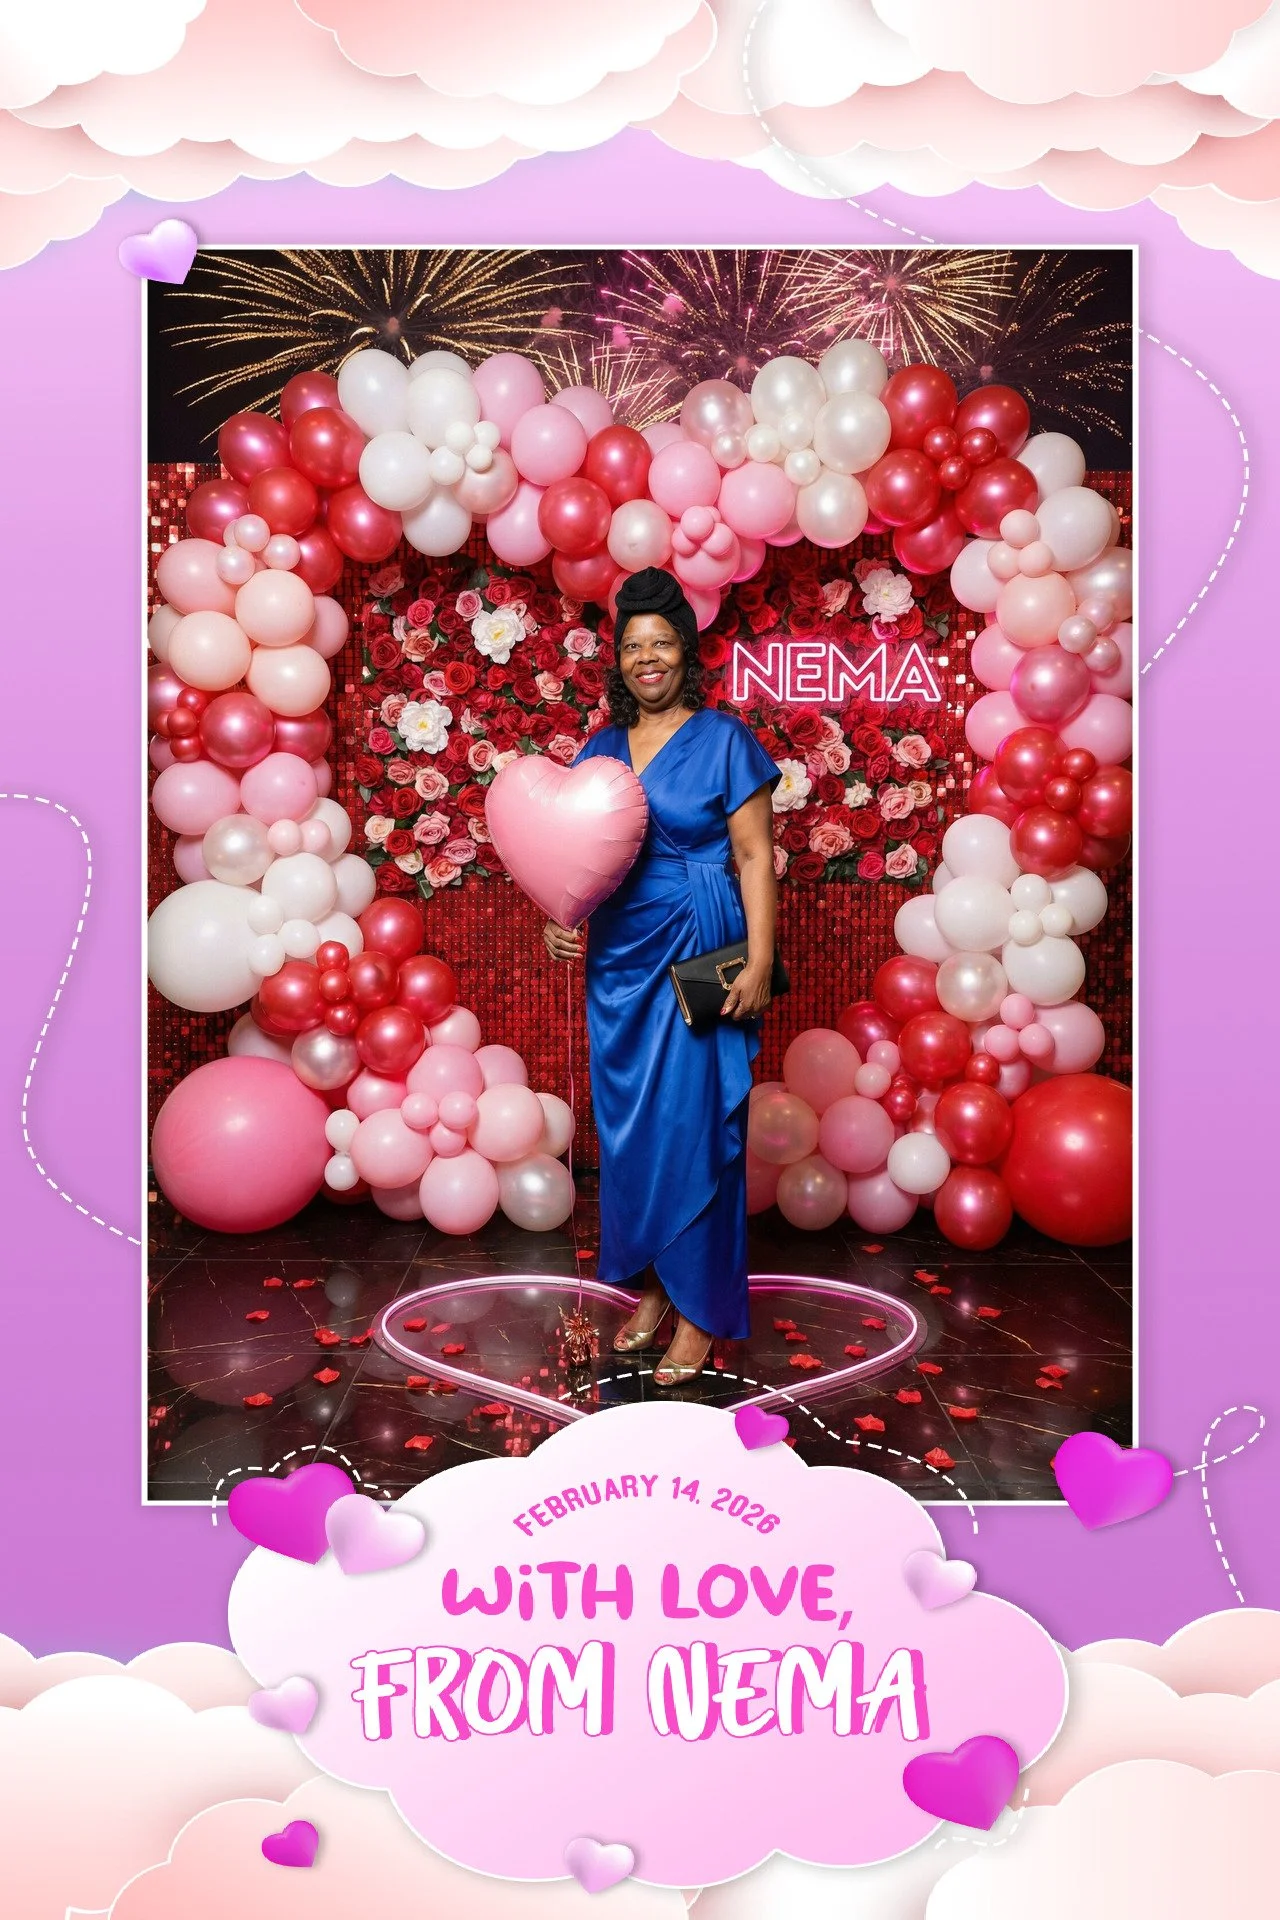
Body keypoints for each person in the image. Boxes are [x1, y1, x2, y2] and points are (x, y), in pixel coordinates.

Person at [543, 567, 780, 1386]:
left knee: (694, 1130)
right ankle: (652, 1284)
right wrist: (560, 915)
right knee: (633, 1135)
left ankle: (700, 1314)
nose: (648, 658)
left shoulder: (723, 740)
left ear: (686, 653)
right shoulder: (600, 749)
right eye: (634, 645)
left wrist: (761, 956)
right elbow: (570, 854)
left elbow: (754, 857)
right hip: (618, 962)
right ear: (620, 658)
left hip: (698, 944)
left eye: (662, 644)